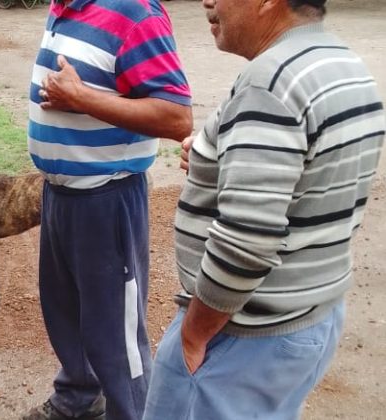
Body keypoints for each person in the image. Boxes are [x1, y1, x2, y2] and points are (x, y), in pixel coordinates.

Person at [144, 0, 385, 419]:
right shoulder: (341, 63)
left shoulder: (270, 82)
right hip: (310, 318)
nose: (207, 1)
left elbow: (246, 240)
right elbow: (318, 180)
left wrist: (194, 334)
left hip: (242, 336)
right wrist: (216, 156)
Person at [22, 0, 193, 418]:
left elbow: (176, 117)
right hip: (60, 196)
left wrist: (81, 97)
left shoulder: (135, 14)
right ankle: (78, 399)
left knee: (116, 339)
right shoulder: (63, 8)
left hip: (107, 200)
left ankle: (134, 412)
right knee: (66, 314)